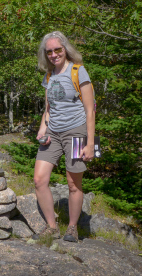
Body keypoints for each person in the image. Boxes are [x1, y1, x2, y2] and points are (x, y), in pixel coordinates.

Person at [33, 31, 95, 243]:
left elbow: (90, 110)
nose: (53, 54)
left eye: (57, 49)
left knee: (73, 183)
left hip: (76, 132)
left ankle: (72, 227)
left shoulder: (78, 71)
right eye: (49, 51)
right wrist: (43, 128)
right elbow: (48, 108)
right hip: (53, 132)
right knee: (39, 179)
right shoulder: (49, 76)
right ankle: (52, 227)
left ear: (65, 49)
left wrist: (90, 143)